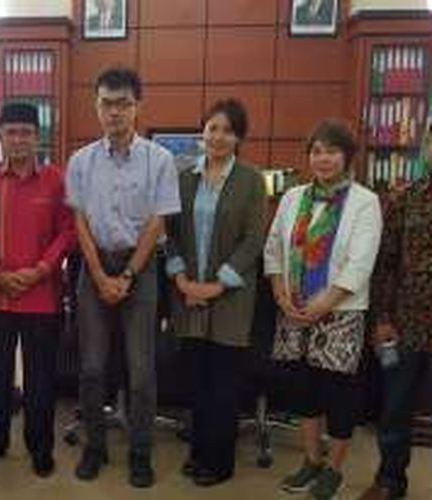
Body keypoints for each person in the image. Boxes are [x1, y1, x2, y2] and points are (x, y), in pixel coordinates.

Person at [66, 67, 180, 488]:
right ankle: (94, 447)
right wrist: (97, 274)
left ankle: (140, 452)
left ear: (137, 107)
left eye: (123, 104)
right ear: (96, 106)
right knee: (92, 368)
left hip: (142, 266)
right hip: (94, 266)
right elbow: (79, 221)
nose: (115, 112)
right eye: (107, 103)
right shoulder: (81, 161)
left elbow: (157, 222)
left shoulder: (160, 159)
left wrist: (128, 274)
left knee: (141, 370)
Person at [264, 119, 382, 500]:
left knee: (339, 397)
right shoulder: (293, 197)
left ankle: (334, 469)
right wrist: (281, 293)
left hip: (341, 314)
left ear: (347, 156)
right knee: (303, 392)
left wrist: (322, 305)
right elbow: (273, 249)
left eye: (332, 151)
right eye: (316, 151)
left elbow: (360, 264)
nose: (323, 158)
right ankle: (311, 460)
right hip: (294, 311)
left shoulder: (365, 201)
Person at [0, 102, 74, 477]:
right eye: (11, 132)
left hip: (41, 296)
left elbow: (67, 231)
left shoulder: (55, 180)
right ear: (0, 137)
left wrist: (42, 269)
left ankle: (40, 446)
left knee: (41, 379)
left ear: (37, 136)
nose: (19, 139)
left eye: (26, 132)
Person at [165, 98, 266, 487]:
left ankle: (220, 463)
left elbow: (253, 240)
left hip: (230, 299)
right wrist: (182, 281)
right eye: (212, 128)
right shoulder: (183, 177)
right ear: (202, 132)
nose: (218, 136)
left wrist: (215, 284)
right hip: (187, 296)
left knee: (223, 385)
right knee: (197, 382)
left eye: (227, 130)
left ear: (238, 137)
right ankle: (198, 453)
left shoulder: (251, 180)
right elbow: (168, 234)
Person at [358, 124, 432, 500]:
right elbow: (385, 266)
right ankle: (390, 480)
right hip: (406, 326)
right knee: (395, 411)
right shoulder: (405, 197)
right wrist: (383, 319)